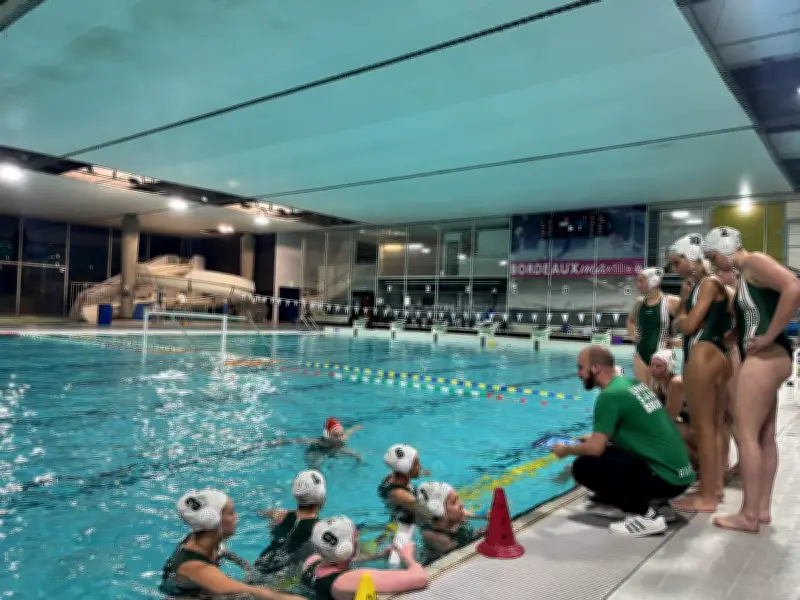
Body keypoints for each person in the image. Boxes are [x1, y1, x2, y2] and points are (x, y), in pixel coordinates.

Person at [703, 226, 800, 532]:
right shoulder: (745, 274)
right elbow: (758, 310)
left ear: (726, 249)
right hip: (772, 357)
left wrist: (770, 335)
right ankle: (760, 510)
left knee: (745, 434)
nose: (713, 263)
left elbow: (794, 287)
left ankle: (747, 515)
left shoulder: (754, 261)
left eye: (713, 256)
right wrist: (737, 332)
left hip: (767, 357)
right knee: (763, 436)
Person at [551, 346, 695, 537]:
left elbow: (595, 448)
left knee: (583, 467)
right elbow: (640, 429)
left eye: (581, 368)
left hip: (666, 479)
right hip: (680, 474)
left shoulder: (609, 396)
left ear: (595, 368)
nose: (578, 374)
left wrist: (566, 450)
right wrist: (602, 437)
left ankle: (646, 516)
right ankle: (658, 503)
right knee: (609, 453)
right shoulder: (633, 385)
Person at [668, 234, 732, 513]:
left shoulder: (709, 283)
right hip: (717, 352)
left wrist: (678, 324)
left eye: (677, 262)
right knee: (715, 427)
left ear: (692, 258)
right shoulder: (705, 286)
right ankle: (714, 486)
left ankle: (706, 496)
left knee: (701, 428)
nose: (674, 268)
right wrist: (684, 300)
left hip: (703, 354)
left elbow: (690, 324)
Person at [160, 489, 304, 600]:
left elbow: (222, 551)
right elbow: (258, 593)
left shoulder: (202, 537)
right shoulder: (196, 567)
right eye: (231, 513)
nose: (236, 517)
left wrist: (247, 568)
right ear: (215, 522)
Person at [301, 516, 429, 600]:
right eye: (355, 538)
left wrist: (379, 556)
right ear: (345, 548)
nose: (357, 540)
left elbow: (340, 561)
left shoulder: (312, 561)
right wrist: (408, 557)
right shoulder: (347, 580)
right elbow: (420, 579)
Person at [254, 470, 326, 580]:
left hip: (261, 564)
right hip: (282, 577)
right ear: (322, 498)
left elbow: (261, 512)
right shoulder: (321, 530)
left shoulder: (279, 514)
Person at [627, 268, 679, 383]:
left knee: (660, 397)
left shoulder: (671, 302)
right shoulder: (639, 303)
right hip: (640, 355)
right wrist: (633, 333)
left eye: (641, 281)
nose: (637, 285)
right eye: (637, 281)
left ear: (653, 281)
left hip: (662, 356)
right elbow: (630, 320)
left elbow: (689, 322)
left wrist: (678, 341)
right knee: (643, 396)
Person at [416, 481, 486, 563]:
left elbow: (464, 513)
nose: (462, 504)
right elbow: (464, 546)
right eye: (454, 502)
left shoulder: (446, 517)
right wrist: (485, 530)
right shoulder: (437, 538)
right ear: (438, 511)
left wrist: (483, 515)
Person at [289, 418, 363, 469]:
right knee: (315, 467)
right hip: (318, 451)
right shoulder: (319, 442)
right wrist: (281, 442)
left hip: (335, 450)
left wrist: (357, 427)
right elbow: (297, 441)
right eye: (336, 435)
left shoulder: (343, 437)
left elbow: (351, 430)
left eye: (341, 434)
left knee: (357, 455)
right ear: (327, 436)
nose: (340, 438)